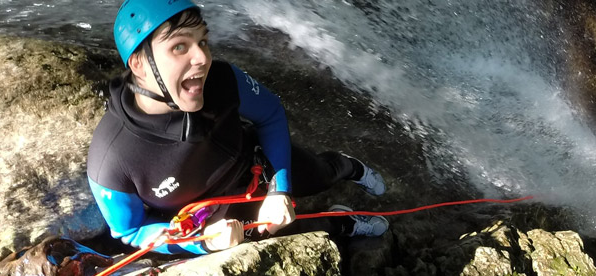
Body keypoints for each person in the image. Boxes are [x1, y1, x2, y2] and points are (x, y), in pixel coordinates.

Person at [86, 0, 389, 255]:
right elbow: (131, 231)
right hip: (211, 216)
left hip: (256, 164)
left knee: (321, 174)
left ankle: (350, 168)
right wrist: (200, 242)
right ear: (138, 63)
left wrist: (278, 188)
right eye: (180, 46)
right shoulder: (111, 159)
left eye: (202, 41)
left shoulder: (221, 80)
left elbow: (269, 114)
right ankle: (340, 222)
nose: (202, 57)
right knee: (289, 234)